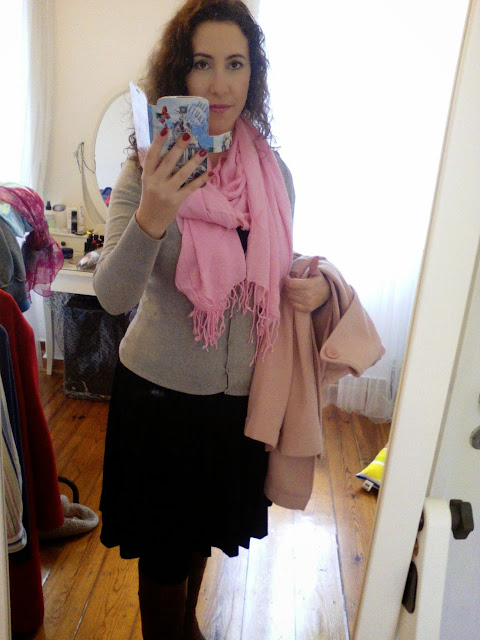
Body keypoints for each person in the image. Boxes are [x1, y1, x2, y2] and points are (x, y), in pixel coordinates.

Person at [94, 1, 330, 638]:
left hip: (237, 404)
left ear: (254, 75)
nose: (220, 84)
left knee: (199, 537)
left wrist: (307, 282)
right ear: (180, 73)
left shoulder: (273, 174)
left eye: (235, 64)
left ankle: (188, 628)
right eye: (203, 63)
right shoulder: (148, 169)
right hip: (161, 400)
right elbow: (112, 295)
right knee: (164, 554)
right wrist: (153, 213)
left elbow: (266, 268)